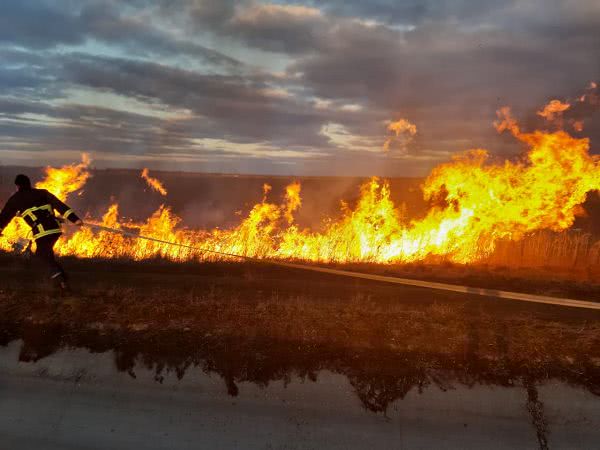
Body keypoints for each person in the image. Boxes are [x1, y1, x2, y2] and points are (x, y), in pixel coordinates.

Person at [0, 174, 83, 291]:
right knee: (47, 255)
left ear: (17, 186)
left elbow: (4, 216)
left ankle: (60, 281)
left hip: (42, 232)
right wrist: (75, 219)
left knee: (41, 255)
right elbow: (60, 205)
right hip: (55, 229)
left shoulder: (15, 199)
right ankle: (63, 280)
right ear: (29, 183)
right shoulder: (43, 192)